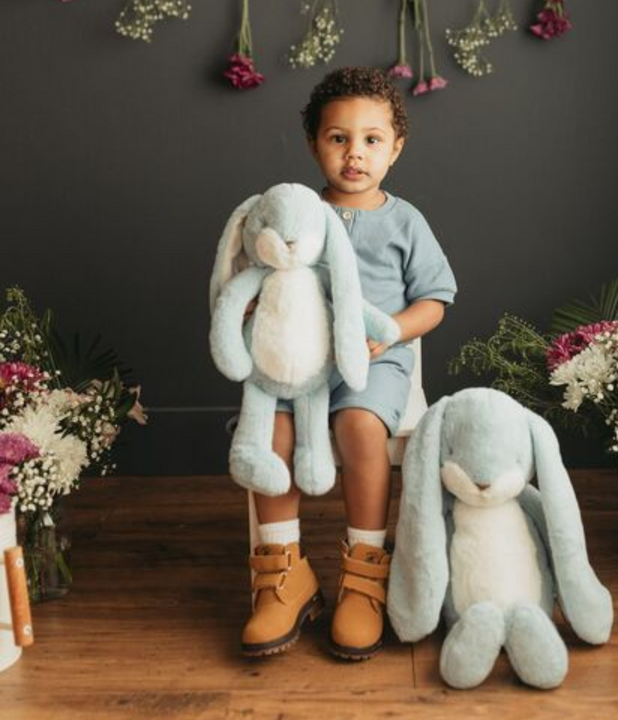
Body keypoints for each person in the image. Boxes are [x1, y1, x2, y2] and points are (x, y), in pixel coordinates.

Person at [240, 66, 457, 660]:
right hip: (300, 357)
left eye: (370, 139)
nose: (354, 154)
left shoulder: (404, 220)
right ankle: (284, 575)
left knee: (358, 426)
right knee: (274, 432)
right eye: (338, 138)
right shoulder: (295, 213)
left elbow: (435, 299)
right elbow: (256, 275)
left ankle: (364, 574)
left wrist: (390, 338)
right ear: (314, 144)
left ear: (396, 147)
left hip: (374, 359)